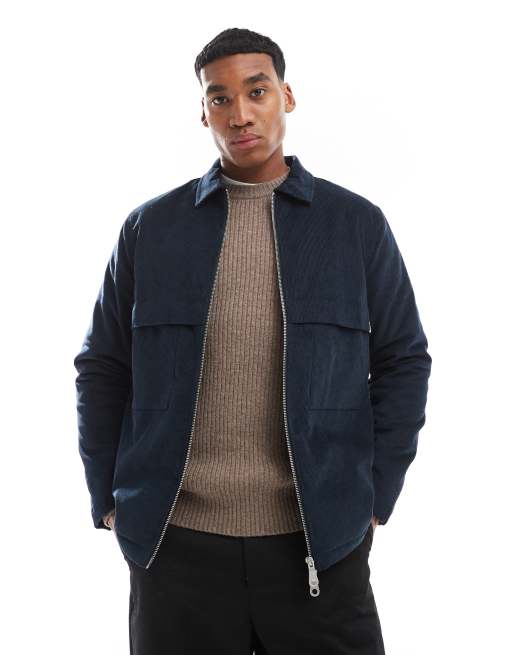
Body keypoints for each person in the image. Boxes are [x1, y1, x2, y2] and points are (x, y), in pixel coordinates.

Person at [74, 27, 432, 655]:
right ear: (203, 111)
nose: (239, 113)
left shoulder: (355, 225)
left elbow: (403, 360)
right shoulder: (150, 229)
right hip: (174, 548)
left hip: (319, 545)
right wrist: (108, 499)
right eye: (220, 98)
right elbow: (102, 366)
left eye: (257, 91)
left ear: (286, 97)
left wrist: (373, 494)